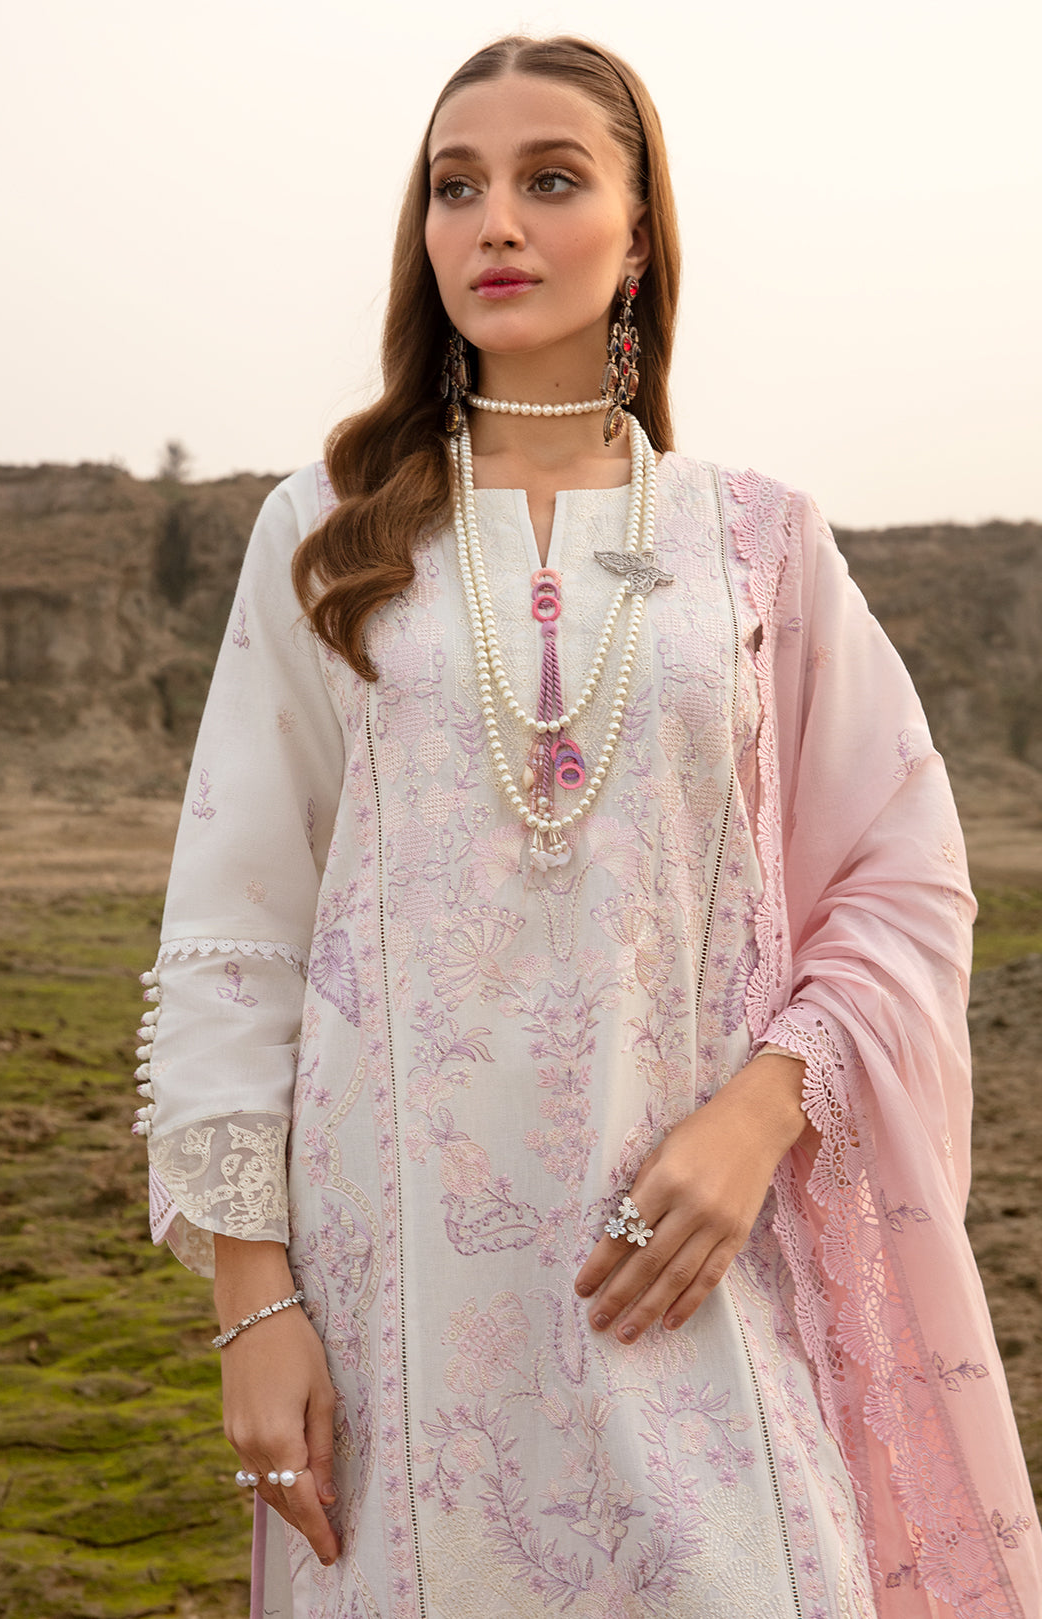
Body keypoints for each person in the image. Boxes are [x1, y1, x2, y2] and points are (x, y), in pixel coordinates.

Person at [132, 34, 1041, 1619]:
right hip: (398, 1308)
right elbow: (237, 929)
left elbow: (903, 881)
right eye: (456, 187)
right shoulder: (326, 532)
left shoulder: (755, 543)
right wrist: (254, 1308)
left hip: (697, 1262)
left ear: (636, 237)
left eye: (550, 180)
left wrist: (762, 1114)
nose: (495, 221)